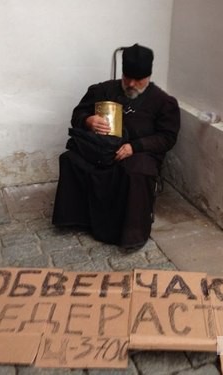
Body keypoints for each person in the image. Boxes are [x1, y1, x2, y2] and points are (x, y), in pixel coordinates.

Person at [52, 43, 180, 251]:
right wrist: (88, 120)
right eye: (127, 78)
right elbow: (77, 115)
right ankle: (79, 219)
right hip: (101, 148)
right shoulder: (103, 90)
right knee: (70, 159)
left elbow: (167, 138)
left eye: (138, 80)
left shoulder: (163, 102)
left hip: (139, 153)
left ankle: (130, 233)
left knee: (135, 171)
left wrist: (135, 146)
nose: (131, 84)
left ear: (148, 76)